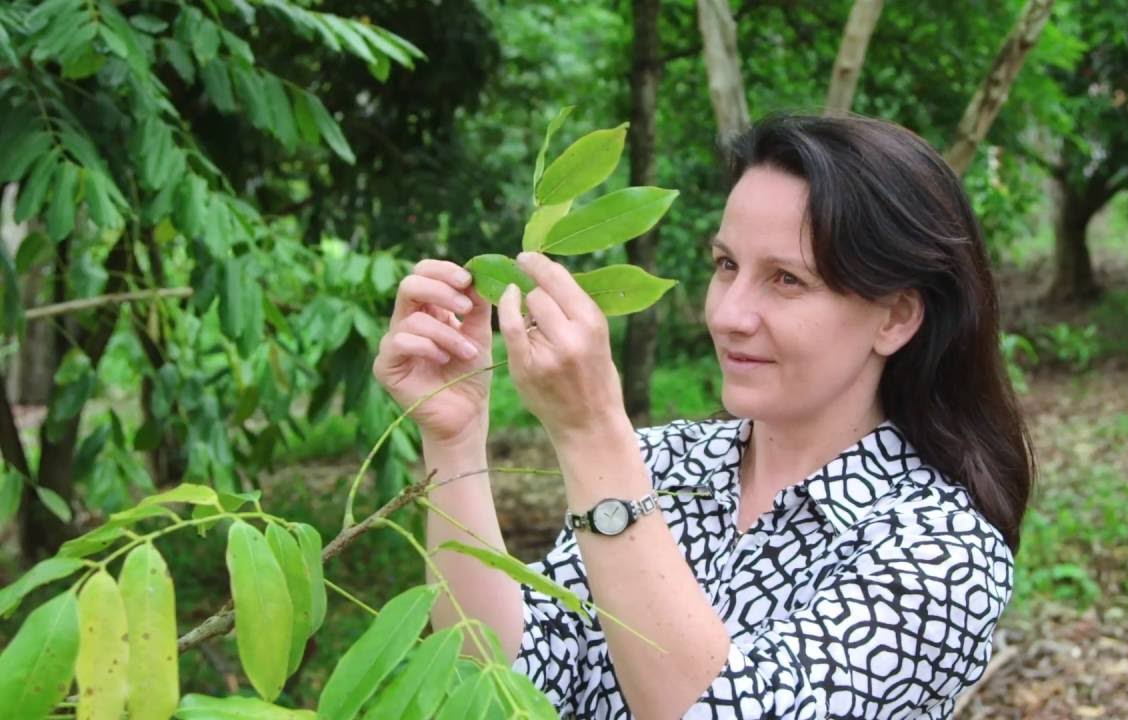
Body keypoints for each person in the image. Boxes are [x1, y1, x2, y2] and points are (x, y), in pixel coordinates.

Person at [372, 114, 1034, 719]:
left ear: (895, 316)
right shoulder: (665, 465)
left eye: (786, 280)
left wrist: (594, 434)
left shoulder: (941, 553)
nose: (726, 314)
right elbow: (509, 677)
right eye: (727, 265)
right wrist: (453, 441)